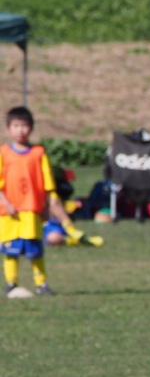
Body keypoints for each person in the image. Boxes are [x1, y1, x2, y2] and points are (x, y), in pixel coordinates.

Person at [1, 106, 91, 295]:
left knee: (35, 250)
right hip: (10, 213)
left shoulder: (38, 153)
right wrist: (6, 204)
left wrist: (45, 206)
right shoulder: (3, 153)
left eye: (24, 126)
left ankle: (41, 284)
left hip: (31, 210)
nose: (20, 130)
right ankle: (11, 283)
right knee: (11, 250)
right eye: (16, 126)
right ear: (8, 129)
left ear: (31, 128)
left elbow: (47, 185)